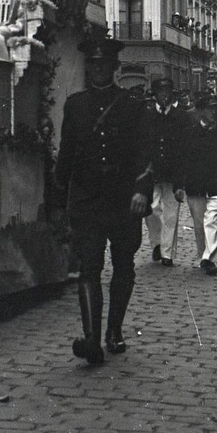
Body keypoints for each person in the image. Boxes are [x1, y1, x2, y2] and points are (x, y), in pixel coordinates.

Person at [54, 35, 152, 364]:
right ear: (88, 67)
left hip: (124, 199)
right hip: (87, 199)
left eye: (104, 65)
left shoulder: (132, 105)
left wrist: (141, 190)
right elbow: (66, 156)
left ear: (114, 68)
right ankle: (92, 338)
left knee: (123, 266)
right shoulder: (75, 106)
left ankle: (114, 330)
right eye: (93, 65)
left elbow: (144, 152)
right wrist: (57, 198)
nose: (98, 70)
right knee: (90, 267)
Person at [176, 93, 217, 275]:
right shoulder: (189, 134)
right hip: (195, 185)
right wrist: (178, 185)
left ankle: (208, 259)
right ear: (201, 112)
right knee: (199, 224)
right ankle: (203, 255)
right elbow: (181, 161)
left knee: (212, 222)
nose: (215, 112)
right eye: (210, 109)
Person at [143, 77, 190, 267]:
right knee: (151, 210)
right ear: (155, 94)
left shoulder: (181, 117)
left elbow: (184, 150)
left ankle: (167, 254)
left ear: (172, 94)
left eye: (167, 92)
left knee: (171, 215)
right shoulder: (146, 117)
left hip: (173, 173)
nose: (164, 95)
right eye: (161, 92)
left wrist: (181, 182)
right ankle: (157, 243)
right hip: (152, 173)